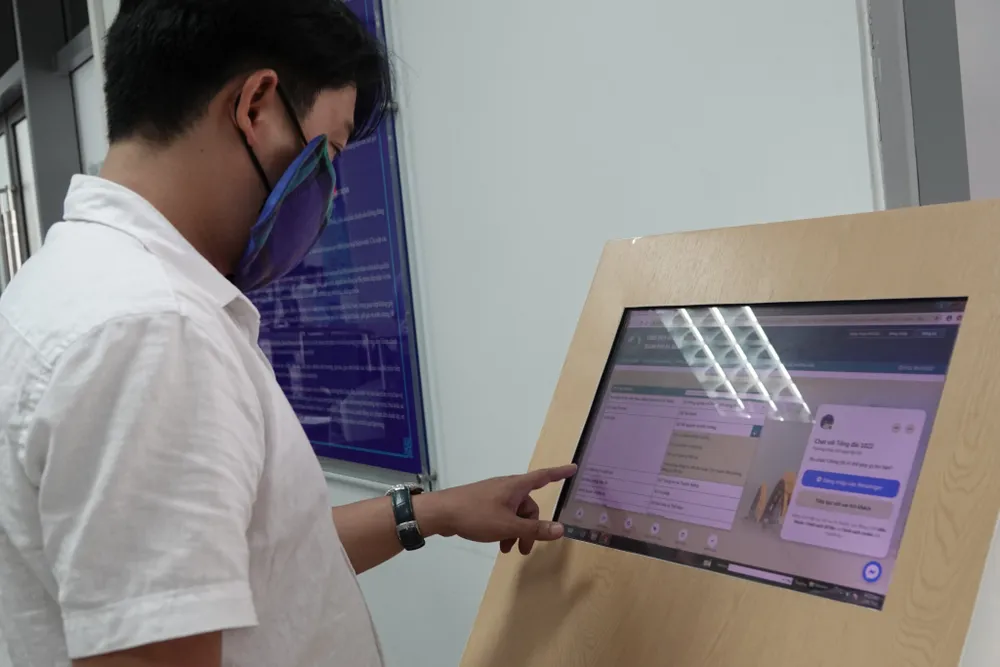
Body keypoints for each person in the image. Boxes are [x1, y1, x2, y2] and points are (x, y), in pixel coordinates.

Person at [0, 2, 575, 666]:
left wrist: (432, 512)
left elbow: (250, 560)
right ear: (255, 107)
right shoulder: (152, 330)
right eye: (328, 154)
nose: (329, 194)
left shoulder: (65, 283)